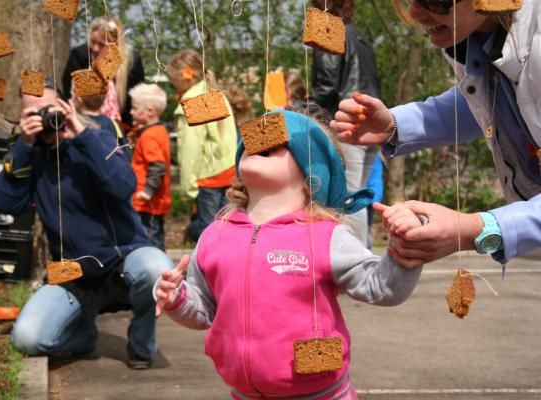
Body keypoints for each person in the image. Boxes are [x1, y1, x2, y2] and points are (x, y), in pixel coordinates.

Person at [154, 110, 424, 399]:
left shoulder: (324, 235)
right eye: (253, 142)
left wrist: (403, 248)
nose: (259, 142)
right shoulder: (215, 235)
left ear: (312, 173)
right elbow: (203, 312)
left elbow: (382, 287)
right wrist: (177, 297)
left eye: (276, 144)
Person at [331, 0, 541, 267]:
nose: (414, 13)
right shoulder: (472, 36)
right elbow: (485, 103)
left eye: (434, 0)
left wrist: (474, 227)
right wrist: (396, 125)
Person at [0, 77, 173, 369]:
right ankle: (83, 336)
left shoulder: (97, 135)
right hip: (73, 271)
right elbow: (6, 205)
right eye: (33, 113)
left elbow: (123, 187)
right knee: (27, 338)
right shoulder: (29, 154)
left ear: (65, 105)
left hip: (122, 257)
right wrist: (24, 146)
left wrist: (80, 135)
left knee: (156, 268)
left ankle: (141, 345)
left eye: (48, 109)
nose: (44, 118)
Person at [310, 0, 382, 247]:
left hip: (346, 122)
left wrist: (298, 109)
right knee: (358, 192)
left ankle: (356, 259)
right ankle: (362, 253)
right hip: (370, 123)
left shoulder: (328, 30)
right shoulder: (360, 37)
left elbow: (326, 87)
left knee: (347, 196)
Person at [167, 49, 238, 243]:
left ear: (185, 77)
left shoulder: (191, 103)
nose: (172, 83)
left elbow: (190, 149)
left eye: (173, 78)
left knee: (207, 233)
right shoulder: (216, 94)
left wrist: (188, 185)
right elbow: (231, 134)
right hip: (228, 171)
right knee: (228, 230)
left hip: (207, 178)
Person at [62, 16, 144, 128]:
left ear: (115, 44)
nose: (95, 48)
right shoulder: (79, 55)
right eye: (93, 42)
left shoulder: (131, 59)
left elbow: (136, 96)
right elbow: (68, 92)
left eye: (101, 44)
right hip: (84, 122)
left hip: (122, 125)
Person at [128, 83, 171, 251]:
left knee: (151, 242)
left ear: (150, 111)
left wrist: (148, 190)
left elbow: (157, 165)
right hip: (150, 202)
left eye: (134, 108)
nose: (131, 112)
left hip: (148, 202)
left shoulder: (150, 136)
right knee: (154, 237)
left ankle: (158, 272)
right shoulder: (156, 131)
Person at [70, 90, 130, 159]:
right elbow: (125, 151)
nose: (70, 100)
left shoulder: (77, 125)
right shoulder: (113, 123)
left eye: (72, 95)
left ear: (78, 99)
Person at [366, 152, 384, 250]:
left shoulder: (370, 155)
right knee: (367, 228)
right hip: (374, 196)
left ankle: (366, 251)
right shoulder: (377, 156)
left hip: (367, 195)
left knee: (365, 228)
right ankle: (368, 251)